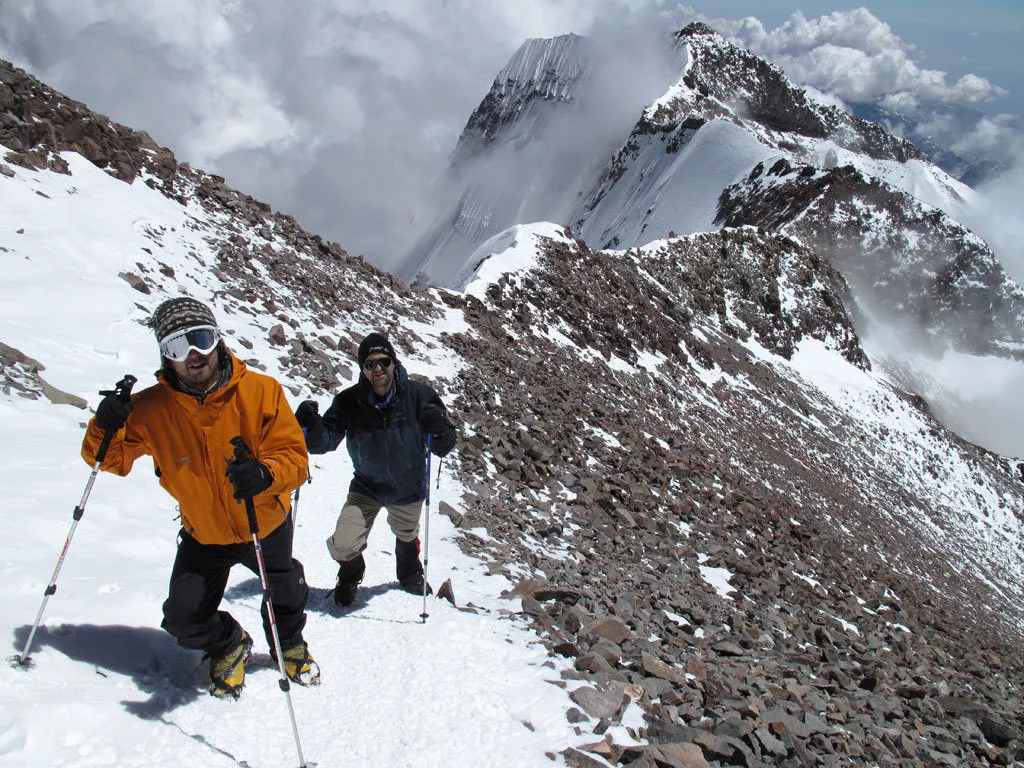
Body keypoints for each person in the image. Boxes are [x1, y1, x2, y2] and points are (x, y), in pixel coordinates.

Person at [80, 296, 319, 699]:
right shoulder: (151, 409)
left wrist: (264, 474)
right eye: (178, 346)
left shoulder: (261, 391)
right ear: (165, 356)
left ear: (218, 341)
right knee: (183, 619)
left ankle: (288, 644)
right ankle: (229, 642)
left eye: (202, 339)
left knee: (286, 589)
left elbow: (295, 460)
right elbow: (108, 459)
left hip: (262, 520)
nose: (193, 355)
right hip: (204, 531)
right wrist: (105, 426)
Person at [295, 332, 456, 607]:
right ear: (363, 369)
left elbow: (444, 444)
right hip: (367, 486)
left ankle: (409, 572)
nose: (378, 368)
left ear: (394, 363)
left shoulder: (418, 396)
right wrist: (311, 429)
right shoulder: (350, 401)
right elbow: (327, 441)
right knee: (343, 544)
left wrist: (439, 429)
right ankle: (350, 574)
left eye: (383, 361)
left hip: (408, 486)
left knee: (406, 533)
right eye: (370, 364)